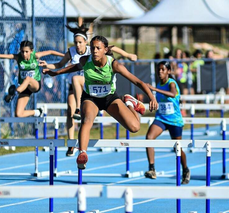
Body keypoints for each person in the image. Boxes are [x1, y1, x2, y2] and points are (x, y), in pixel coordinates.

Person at [40, 35, 158, 169]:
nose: (95, 51)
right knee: (87, 120)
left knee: (135, 127)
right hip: (91, 98)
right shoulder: (86, 60)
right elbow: (73, 67)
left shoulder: (114, 64)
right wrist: (56, 73)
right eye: (93, 48)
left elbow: (137, 81)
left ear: (105, 50)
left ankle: (130, 103)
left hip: (109, 98)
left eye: (98, 48)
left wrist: (152, 97)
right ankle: (82, 154)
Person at [39, 24, 137, 157]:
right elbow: (60, 65)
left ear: (85, 42)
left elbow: (111, 48)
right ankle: (72, 143)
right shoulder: (71, 52)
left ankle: (80, 107)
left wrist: (127, 54)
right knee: (69, 111)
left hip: (88, 85)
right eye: (76, 42)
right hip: (75, 89)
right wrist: (49, 67)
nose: (78, 45)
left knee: (76, 79)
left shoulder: (92, 51)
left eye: (80, 42)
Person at [0, 40, 64, 117]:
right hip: (24, 87)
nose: (24, 54)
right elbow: (0, 55)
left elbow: (51, 52)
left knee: (27, 78)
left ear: (31, 51)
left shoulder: (35, 56)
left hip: (35, 85)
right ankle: (38, 112)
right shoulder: (18, 57)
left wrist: (65, 56)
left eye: (27, 52)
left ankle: (14, 93)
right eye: (22, 52)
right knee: (18, 114)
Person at [144, 61, 190, 184]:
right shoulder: (159, 84)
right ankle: (152, 169)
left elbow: (173, 94)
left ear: (168, 71)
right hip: (161, 118)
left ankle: (185, 169)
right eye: (159, 70)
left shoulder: (171, 83)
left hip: (174, 120)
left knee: (178, 147)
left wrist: (155, 89)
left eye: (163, 70)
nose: (160, 72)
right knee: (149, 137)